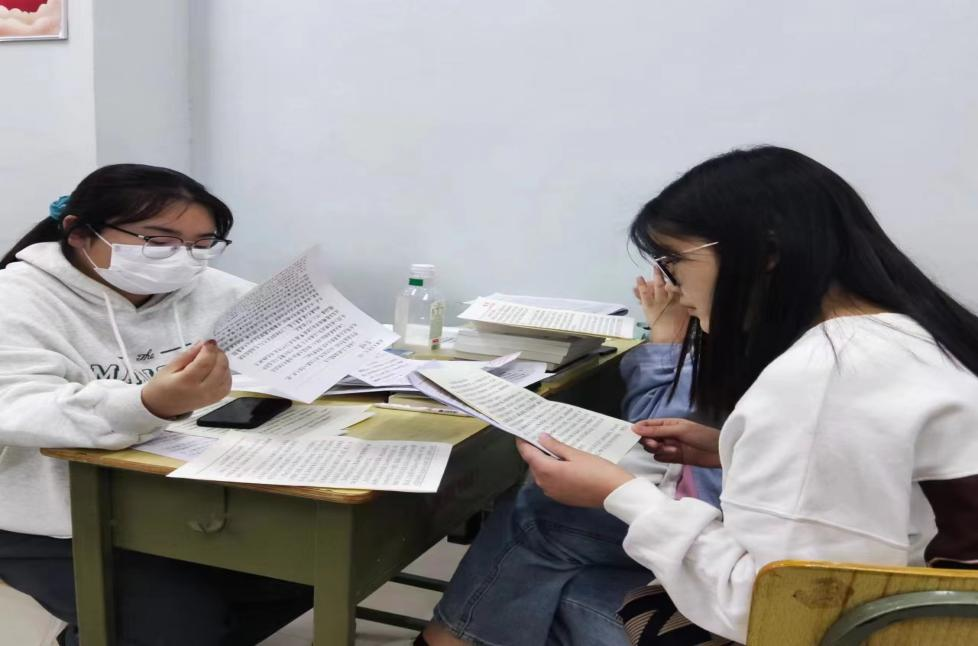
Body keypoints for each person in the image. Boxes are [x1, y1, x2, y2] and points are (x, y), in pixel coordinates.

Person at [514, 146, 978, 644]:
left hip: (865, 630)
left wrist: (623, 494)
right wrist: (729, 450)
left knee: (552, 590)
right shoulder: (913, 334)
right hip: (929, 617)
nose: (671, 287)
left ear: (764, 252)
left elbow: (780, 610)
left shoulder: (826, 376)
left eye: (674, 262)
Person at [0, 164, 312, 645]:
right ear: (79, 232)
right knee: (176, 624)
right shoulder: (17, 299)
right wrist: (149, 403)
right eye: (158, 241)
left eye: (201, 243)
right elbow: (18, 407)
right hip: (43, 516)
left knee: (304, 569)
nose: (182, 259)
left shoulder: (205, 287)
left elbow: (295, 333)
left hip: (170, 500)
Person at [420, 269, 722, 646]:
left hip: (723, 569)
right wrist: (721, 449)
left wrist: (668, 341)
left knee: (535, 526)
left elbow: (654, 430)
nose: (673, 284)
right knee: (534, 543)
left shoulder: (776, 363)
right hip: (713, 530)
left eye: (680, 261)